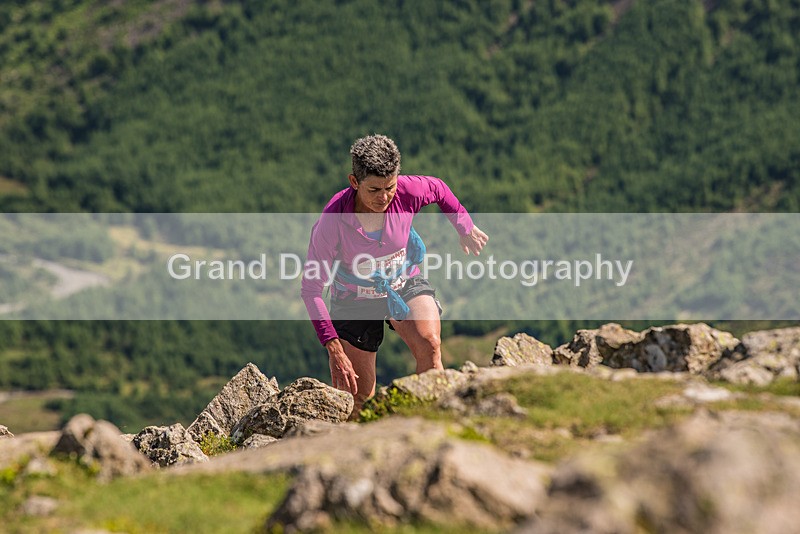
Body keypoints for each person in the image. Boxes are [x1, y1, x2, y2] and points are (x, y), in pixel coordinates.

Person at [301, 134, 488, 414]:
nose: (385, 197)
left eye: (390, 186)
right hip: (354, 299)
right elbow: (311, 290)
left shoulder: (407, 192)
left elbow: (438, 188)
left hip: (401, 281)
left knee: (431, 345)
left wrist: (464, 226)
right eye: (374, 190)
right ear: (354, 182)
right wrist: (334, 347)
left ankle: (431, 422)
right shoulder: (332, 221)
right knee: (358, 397)